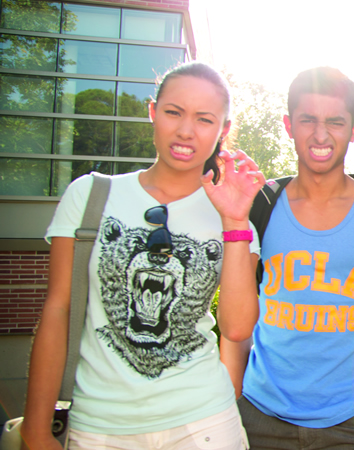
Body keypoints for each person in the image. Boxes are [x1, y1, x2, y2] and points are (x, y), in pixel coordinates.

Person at [20, 61, 264, 449]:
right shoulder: (89, 196)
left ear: (224, 130)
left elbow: (236, 329)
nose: (185, 131)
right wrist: (35, 429)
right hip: (98, 426)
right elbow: (57, 310)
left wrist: (235, 222)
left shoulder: (233, 219)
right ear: (152, 111)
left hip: (204, 423)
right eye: (173, 112)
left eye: (204, 119)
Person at [219, 67, 354, 449]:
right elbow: (234, 320)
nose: (321, 134)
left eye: (335, 122)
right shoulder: (260, 204)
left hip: (350, 425)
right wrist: (235, 396)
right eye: (308, 120)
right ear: (288, 125)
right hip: (259, 418)